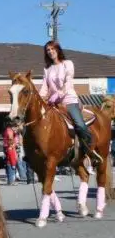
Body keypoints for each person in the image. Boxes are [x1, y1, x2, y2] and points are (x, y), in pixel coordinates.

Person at [39, 40, 98, 173]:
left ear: (58, 50)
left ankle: (90, 152)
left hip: (69, 100)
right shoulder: (47, 69)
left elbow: (68, 82)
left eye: (52, 49)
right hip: (54, 103)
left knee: (80, 124)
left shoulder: (67, 64)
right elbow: (44, 87)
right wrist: (40, 99)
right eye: (48, 50)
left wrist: (58, 94)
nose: (50, 52)